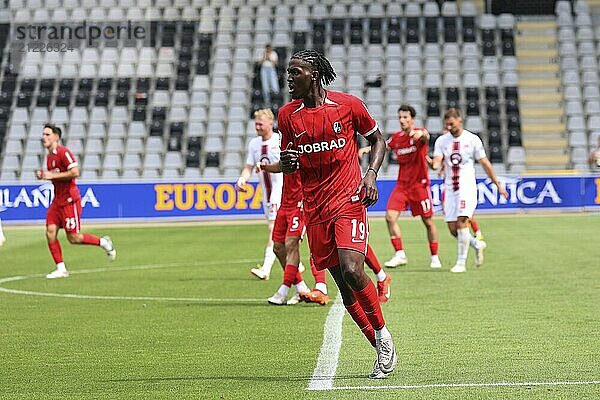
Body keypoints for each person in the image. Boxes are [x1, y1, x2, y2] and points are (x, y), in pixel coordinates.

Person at [277, 49, 397, 379]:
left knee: (352, 268)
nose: (289, 78)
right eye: (289, 73)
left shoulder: (348, 105)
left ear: (313, 76)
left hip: (349, 200)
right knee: (344, 289)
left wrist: (370, 174)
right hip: (315, 209)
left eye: (295, 72)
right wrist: (286, 163)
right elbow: (289, 158)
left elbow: (377, 140)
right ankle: (375, 342)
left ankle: (383, 334)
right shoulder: (287, 116)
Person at [359, 104, 441, 269]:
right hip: (402, 186)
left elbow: (424, 136)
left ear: (412, 119)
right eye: (400, 118)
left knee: (428, 221)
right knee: (390, 217)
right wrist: (367, 149)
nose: (402, 120)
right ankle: (400, 254)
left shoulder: (418, 136)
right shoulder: (397, 138)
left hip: (419, 186)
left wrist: (422, 133)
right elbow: (385, 145)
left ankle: (435, 256)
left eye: (405, 117)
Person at [432, 109, 508, 273]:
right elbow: (437, 162)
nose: (449, 126)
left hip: (467, 188)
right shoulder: (441, 141)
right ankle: (477, 244)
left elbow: (485, 163)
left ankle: (461, 263)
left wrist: (498, 185)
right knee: (453, 229)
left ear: (460, 120)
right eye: (447, 124)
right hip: (450, 189)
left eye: (452, 123)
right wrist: (432, 164)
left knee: (462, 222)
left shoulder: (472, 139)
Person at [35, 123, 116, 279]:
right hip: (57, 201)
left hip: (69, 200)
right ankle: (61, 268)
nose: (43, 137)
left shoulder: (63, 152)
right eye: (43, 134)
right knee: (50, 232)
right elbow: (54, 175)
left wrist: (51, 176)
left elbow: (74, 172)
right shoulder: (49, 156)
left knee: (74, 238)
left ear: (56, 137)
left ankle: (104, 242)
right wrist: (44, 175)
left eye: (47, 134)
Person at [236, 109, 283, 281]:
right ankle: (295, 263)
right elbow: (249, 166)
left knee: (273, 229)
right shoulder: (254, 144)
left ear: (271, 123)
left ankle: (266, 268)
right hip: (266, 194)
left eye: (260, 123)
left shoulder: (279, 141)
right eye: (256, 123)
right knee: (280, 233)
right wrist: (243, 179)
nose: (257, 127)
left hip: (280, 192)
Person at [257, 162, 310, 305]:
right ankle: (301, 288)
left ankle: (283, 291)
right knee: (278, 247)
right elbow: (282, 165)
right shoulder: (288, 144)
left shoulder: (307, 147)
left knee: (291, 244)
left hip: (300, 203)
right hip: (285, 203)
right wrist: (265, 167)